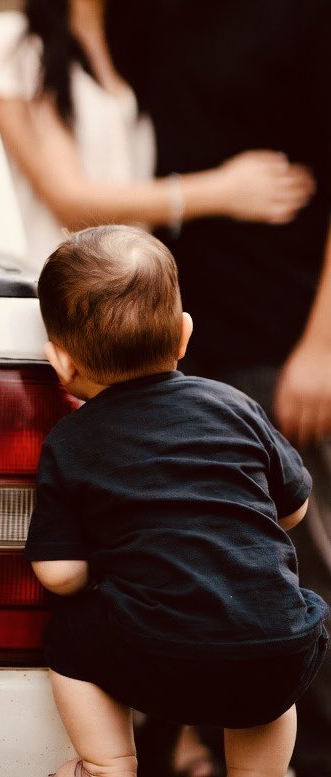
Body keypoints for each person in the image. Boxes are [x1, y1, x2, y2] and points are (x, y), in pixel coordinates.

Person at [104, 2, 331, 774]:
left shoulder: (304, 20)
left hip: (281, 351)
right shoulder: (147, 19)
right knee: (189, 577)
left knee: (293, 582)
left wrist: (321, 348)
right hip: (166, 350)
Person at [26, 225, 329, 777]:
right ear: (184, 335)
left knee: (68, 634)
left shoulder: (71, 440)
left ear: (60, 361)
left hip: (159, 655)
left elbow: (60, 575)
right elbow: (293, 509)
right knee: (274, 635)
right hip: (276, 654)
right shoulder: (235, 405)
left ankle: (109, 763)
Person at [0, 0, 315, 275]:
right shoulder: (13, 41)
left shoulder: (138, 48)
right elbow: (69, 198)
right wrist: (222, 191)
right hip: (43, 294)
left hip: (123, 304)